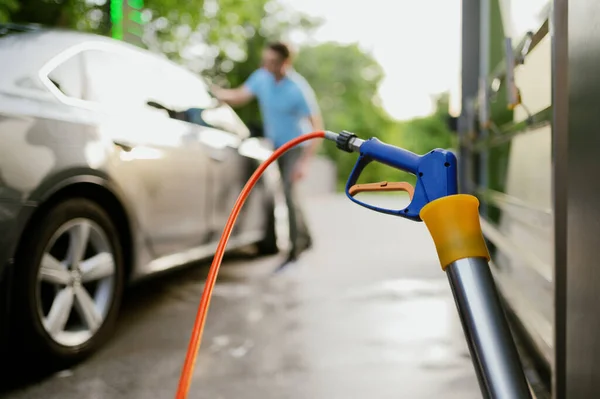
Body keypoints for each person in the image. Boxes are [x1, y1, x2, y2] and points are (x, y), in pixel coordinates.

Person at [211, 41, 323, 269]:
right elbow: (240, 96)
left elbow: (317, 126)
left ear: (285, 62)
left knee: (289, 194)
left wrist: (305, 163)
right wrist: (215, 93)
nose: (267, 65)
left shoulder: (297, 88)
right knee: (289, 194)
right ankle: (307, 238)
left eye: (273, 62)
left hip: (295, 147)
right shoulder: (261, 78)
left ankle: (294, 250)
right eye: (266, 60)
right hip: (275, 147)